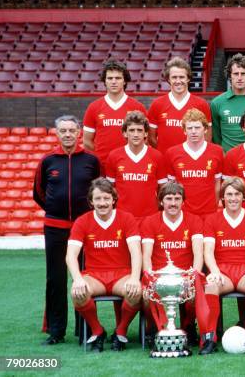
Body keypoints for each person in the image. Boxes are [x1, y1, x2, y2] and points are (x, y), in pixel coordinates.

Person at [33, 115, 101, 345]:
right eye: (63, 131)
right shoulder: (47, 161)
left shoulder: (91, 160)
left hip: (85, 229)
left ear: (79, 132)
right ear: (56, 133)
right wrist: (56, 211)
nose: (68, 134)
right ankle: (56, 330)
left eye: (72, 130)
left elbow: (99, 193)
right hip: (56, 228)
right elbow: (39, 193)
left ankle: (83, 329)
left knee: (83, 277)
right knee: (56, 279)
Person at [65, 178, 142, 352]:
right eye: (98, 199)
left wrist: (135, 278)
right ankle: (97, 330)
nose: (102, 203)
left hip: (121, 274)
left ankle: (121, 331)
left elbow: (136, 251)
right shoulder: (82, 221)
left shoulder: (126, 218)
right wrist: (77, 279)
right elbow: (71, 255)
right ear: (91, 201)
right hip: (94, 275)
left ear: (113, 199)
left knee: (137, 291)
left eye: (106, 198)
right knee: (78, 292)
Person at [198, 177, 245, 355]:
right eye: (229, 194)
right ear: (222, 197)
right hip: (222, 269)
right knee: (211, 285)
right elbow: (208, 251)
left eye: (237, 194)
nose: (233, 198)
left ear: (243, 196)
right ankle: (210, 338)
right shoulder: (212, 219)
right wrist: (214, 271)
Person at [140, 182, 203, 343]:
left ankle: (188, 326)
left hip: (184, 276)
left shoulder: (194, 221)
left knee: (196, 293)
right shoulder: (150, 221)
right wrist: (149, 277)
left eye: (177, 198)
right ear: (161, 201)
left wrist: (193, 276)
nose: (173, 203)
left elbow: (198, 253)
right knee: (145, 295)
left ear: (183, 201)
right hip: (159, 276)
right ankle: (153, 327)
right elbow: (146, 255)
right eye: (169, 198)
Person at [105, 111, 168, 222]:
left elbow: (163, 189)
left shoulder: (157, 156)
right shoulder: (114, 156)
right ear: (124, 133)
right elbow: (110, 189)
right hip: (122, 218)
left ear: (146, 133)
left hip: (150, 218)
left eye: (139, 130)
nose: (135, 134)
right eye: (131, 130)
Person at [83, 59, 146, 166]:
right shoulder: (94, 107)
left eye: (118, 78)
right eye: (110, 78)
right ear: (105, 81)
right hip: (102, 166)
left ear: (124, 81)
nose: (113, 81)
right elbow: (87, 141)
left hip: (129, 165)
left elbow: (145, 139)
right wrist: (99, 159)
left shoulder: (137, 106)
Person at [164, 108, 223, 221]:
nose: (193, 131)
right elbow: (171, 186)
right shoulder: (172, 153)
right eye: (190, 128)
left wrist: (213, 207)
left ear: (205, 129)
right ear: (184, 131)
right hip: (182, 214)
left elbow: (217, 184)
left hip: (209, 214)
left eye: (197, 127)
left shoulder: (217, 151)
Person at [148, 56, 212, 154]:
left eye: (182, 77)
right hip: (166, 163)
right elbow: (151, 138)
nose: (178, 81)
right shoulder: (157, 104)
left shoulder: (201, 104)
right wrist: (165, 154)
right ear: (168, 79)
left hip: (191, 162)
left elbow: (207, 136)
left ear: (188, 78)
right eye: (174, 77)